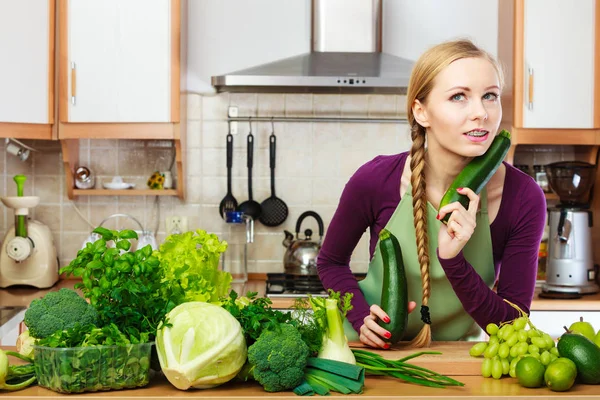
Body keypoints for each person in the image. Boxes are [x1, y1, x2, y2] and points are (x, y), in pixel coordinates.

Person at [316, 39, 546, 348]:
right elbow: (330, 262)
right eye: (458, 97)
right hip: (370, 353)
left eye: (490, 95)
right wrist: (359, 317)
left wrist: (453, 260)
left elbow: (513, 324)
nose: (481, 113)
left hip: (458, 360)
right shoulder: (375, 179)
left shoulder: (523, 197)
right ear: (421, 112)